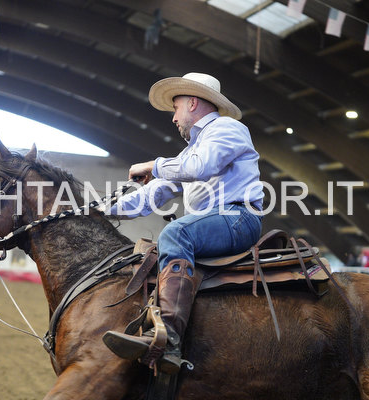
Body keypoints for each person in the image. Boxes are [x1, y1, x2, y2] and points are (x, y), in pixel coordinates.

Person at [103, 72, 264, 374]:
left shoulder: (227, 128)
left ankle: (168, 338)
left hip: (237, 218)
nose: (174, 118)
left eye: (175, 108)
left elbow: (200, 167)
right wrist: (104, 211)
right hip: (218, 220)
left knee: (176, 233)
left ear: (192, 103)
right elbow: (153, 193)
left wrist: (153, 165)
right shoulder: (192, 151)